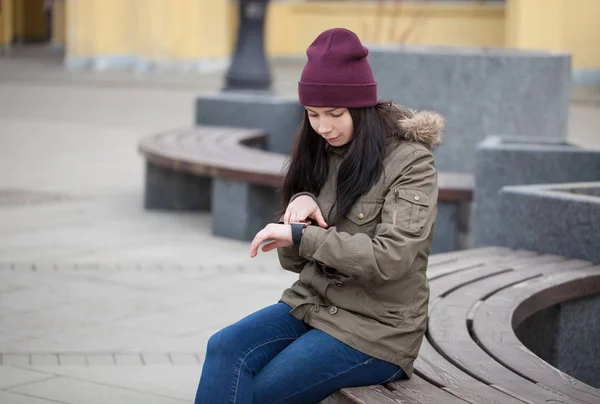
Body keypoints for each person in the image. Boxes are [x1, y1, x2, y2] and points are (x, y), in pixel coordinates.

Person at [194, 27, 443, 404]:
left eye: (335, 114)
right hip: (312, 304)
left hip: (377, 330)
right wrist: (299, 214)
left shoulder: (411, 162)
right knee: (225, 348)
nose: (323, 126)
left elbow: (391, 258)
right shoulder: (322, 150)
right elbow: (294, 263)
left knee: (260, 395)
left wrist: (303, 236)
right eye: (312, 114)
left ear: (361, 107)